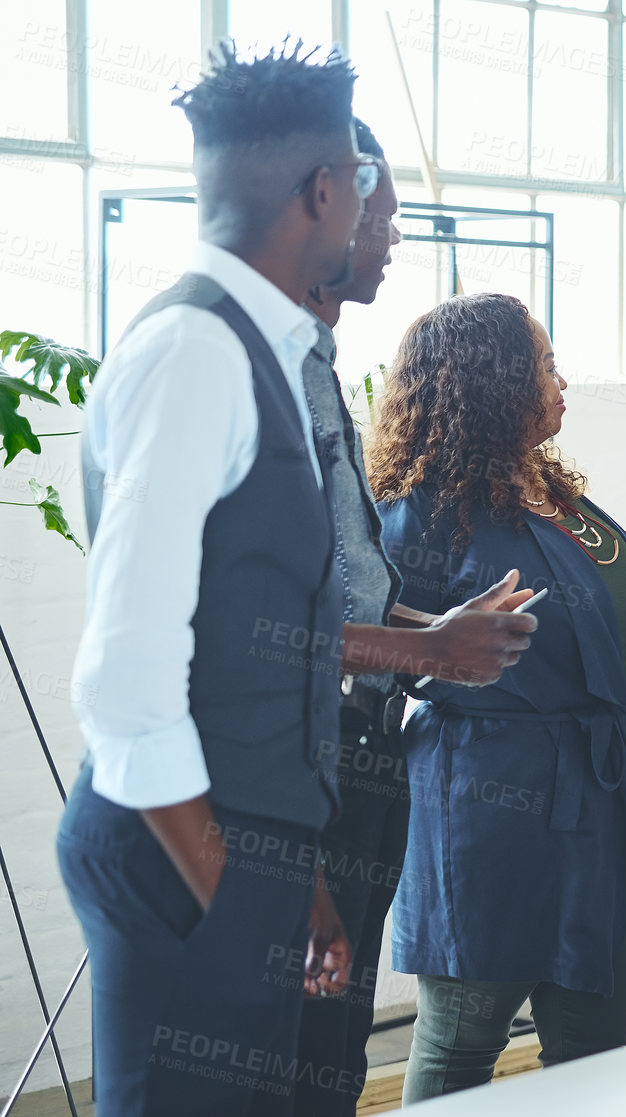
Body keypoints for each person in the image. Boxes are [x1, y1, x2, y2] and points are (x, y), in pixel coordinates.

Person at [58, 44, 368, 1114]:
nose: (365, 208)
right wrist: (236, 895)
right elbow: (128, 679)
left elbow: (246, 652)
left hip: (233, 841)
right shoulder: (195, 350)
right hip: (173, 847)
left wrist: (303, 887)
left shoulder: (265, 347)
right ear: (323, 192)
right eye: (362, 185)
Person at [367, 293, 626, 1100]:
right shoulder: (420, 514)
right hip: (485, 806)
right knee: (465, 1039)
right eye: (543, 365)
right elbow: (377, 658)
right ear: (491, 385)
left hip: (599, 799)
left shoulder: (552, 493)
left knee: (594, 1041)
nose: (561, 378)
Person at [290, 118, 540, 1113]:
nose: (393, 238)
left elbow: (344, 590)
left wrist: (446, 631)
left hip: (358, 760)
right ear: (326, 197)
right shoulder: (240, 374)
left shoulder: (314, 369)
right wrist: (428, 644)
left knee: (331, 1053)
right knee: (283, 1050)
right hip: (294, 774)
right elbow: (237, 628)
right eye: (383, 212)